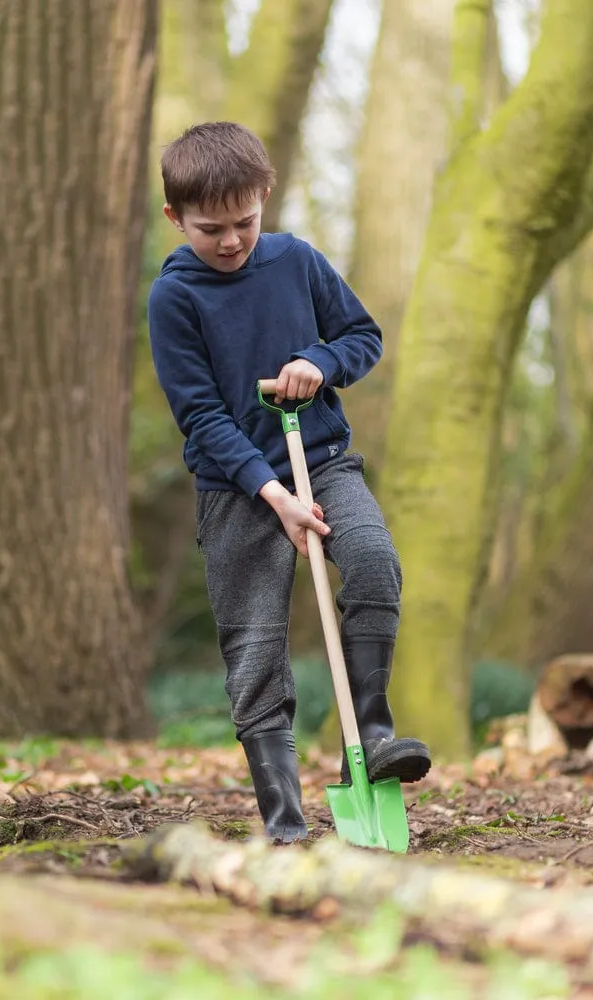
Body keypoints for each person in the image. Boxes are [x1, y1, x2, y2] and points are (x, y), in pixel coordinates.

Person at [147, 121, 431, 844]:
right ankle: (283, 820)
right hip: (239, 490)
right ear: (175, 218)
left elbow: (361, 336)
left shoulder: (298, 262)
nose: (232, 241)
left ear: (265, 197)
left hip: (326, 459)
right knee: (256, 649)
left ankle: (369, 737)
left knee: (373, 561)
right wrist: (273, 496)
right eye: (211, 229)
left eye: (245, 222)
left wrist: (319, 363)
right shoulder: (175, 300)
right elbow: (202, 416)